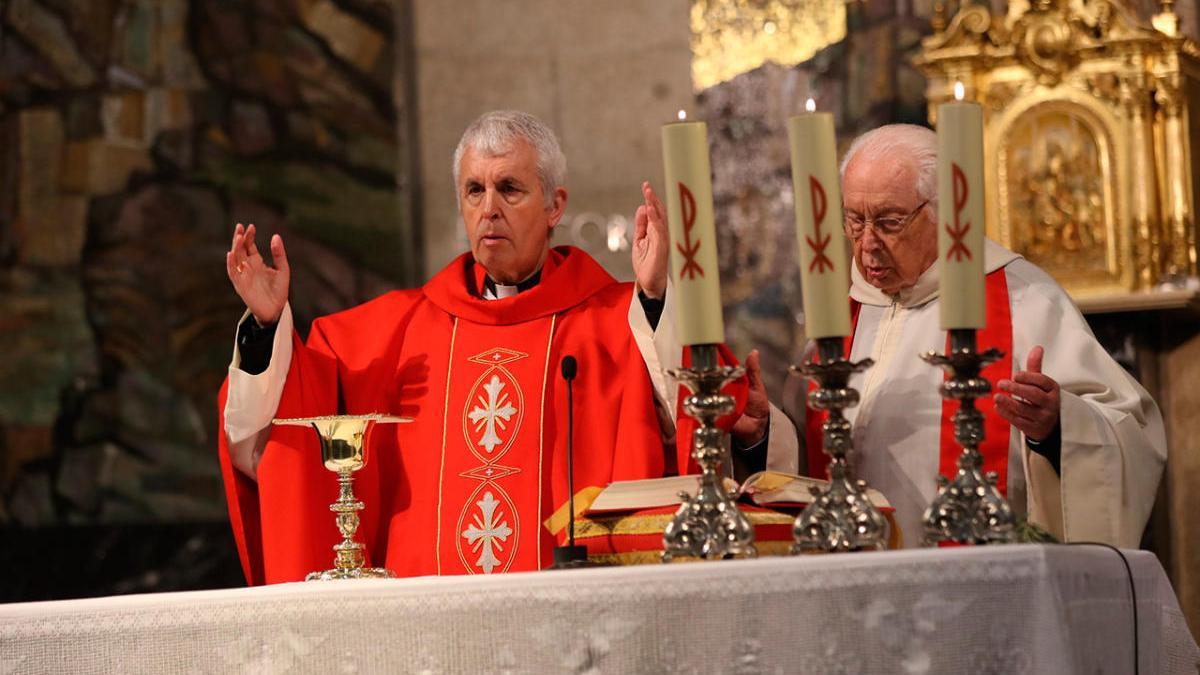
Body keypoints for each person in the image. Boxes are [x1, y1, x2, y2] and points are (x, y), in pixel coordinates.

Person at [218, 110, 785, 584]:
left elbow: (699, 417)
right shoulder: (398, 331)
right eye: (474, 190)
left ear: (555, 205)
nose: (489, 207)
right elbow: (289, 420)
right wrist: (268, 326)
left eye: (509, 188)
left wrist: (658, 295)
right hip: (426, 634)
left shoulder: (617, 318)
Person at [803, 124, 1165, 548]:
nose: (867, 245)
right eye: (853, 220)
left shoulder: (1023, 297)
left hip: (984, 584)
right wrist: (763, 434)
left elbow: (1132, 433)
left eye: (889, 221)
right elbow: (809, 468)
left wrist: (1055, 426)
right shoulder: (841, 312)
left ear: (942, 211)